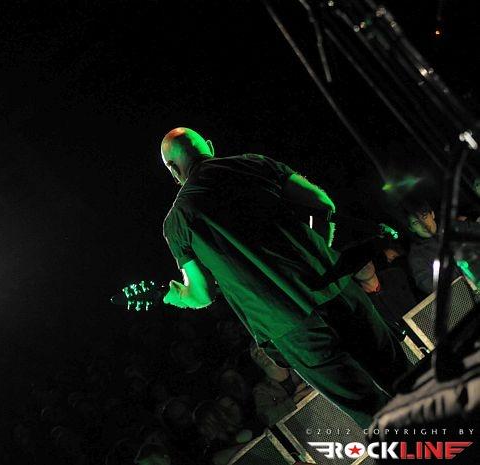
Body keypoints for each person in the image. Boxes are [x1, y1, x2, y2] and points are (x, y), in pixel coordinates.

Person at [159, 127, 412, 427]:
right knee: (406, 380)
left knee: (373, 412)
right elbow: (322, 204)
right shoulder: (254, 163)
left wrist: (176, 296)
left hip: (289, 325)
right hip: (336, 289)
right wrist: (315, 255)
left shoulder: (178, 221)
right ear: (210, 147)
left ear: (173, 169)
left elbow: (202, 294)